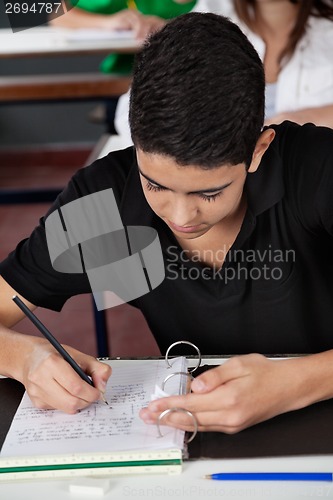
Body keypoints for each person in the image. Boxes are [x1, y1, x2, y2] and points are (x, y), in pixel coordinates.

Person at [1, 13, 333, 434]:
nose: (179, 217)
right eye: (154, 185)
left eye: (208, 193)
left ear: (259, 150)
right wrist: (21, 358)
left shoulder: (317, 170)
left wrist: (296, 383)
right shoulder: (106, 200)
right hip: (192, 440)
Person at [115, 0, 333, 145]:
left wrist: (303, 118)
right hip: (215, 187)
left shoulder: (327, 29)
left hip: (305, 184)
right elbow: (132, 113)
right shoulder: (211, 16)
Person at [50, 0, 196, 132]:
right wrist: (108, 22)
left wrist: (171, 28)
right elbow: (60, 15)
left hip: (193, 83)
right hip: (127, 83)